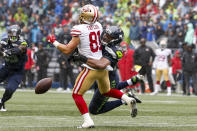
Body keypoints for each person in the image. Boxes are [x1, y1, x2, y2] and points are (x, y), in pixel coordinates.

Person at [47, 4, 137, 128]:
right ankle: (127, 99)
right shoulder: (99, 26)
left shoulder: (79, 29)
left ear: (84, 16)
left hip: (91, 68)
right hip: (103, 68)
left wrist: (54, 42)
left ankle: (88, 121)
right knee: (106, 91)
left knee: (76, 94)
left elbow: (67, 50)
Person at [70, 26, 142, 115]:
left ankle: (125, 99)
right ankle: (130, 83)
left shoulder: (116, 50)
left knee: (94, 109)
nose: (105, 37)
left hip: (108, 77)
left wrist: (82, 58)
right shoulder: (99, 39)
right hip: (99, 76)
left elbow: (101, 65)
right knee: (111, 90)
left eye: (109, 37)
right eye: (106, 34)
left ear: (115, 40)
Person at [0, 24, 27, 111]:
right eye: (11, 35)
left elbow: (21, 49)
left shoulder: (23, 42)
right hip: (6, 68)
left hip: (17, 71)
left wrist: (9, 52)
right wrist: (2, 52)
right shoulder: (4, 40)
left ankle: (2, 101)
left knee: (10, 89)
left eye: (14, 36)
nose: (12, 37)